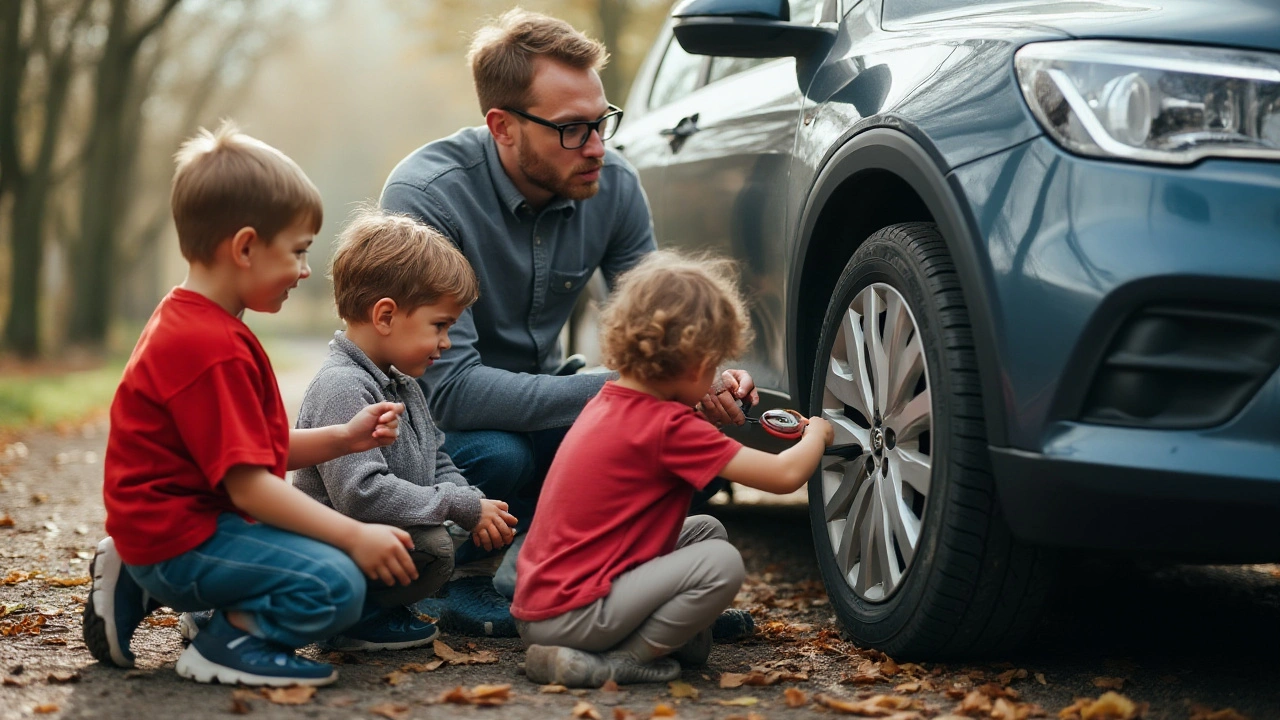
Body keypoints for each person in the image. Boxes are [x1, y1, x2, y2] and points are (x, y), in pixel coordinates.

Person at [379, 7, 756, 637]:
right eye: (573, 130)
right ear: (501, 126)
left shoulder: (614, 186)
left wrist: (704, 375)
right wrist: (621, 393)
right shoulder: (427, 198)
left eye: (602, 122)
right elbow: (451, 390)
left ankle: (633, 589)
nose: (598, 148)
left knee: (668, 437)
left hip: (540, 402)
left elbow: (663, 326)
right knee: (502, 454)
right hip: (437, 431)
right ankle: (457, 582)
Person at [83, 122, 435, 688]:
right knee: (337, 585)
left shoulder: (197, 322)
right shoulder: (209, 346)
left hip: (174, 529)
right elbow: (250, 486)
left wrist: (343, 438)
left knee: (330, 566)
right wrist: (353, 536)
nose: (303, 270)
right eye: (297, 252)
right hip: (183, 537)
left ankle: (140, 578)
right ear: (245, 247)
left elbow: (250, 453)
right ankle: (228, 642)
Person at [511, 250, 835, 688]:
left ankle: (586, 651)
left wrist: (701, 418)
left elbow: (658, 459)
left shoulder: (611, 401)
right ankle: (621, 659)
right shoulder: (668, 427)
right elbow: (783, 477)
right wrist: (816, 434)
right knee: (720, 563)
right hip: (573, 612)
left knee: (705, 531)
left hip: (544, 602)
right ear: (699, 363)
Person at [292, 208, 519, 641]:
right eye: (439, 325)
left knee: (444, 536)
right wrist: (457, 506)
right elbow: (362, 494)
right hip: (327, 548)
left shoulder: (403, 383)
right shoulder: (343, 387)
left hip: (384, 529)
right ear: (385, 316)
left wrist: (473, 502)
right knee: (430, 548)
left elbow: (437, 456)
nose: (446, 343)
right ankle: (352, 619)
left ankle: (371, 610)